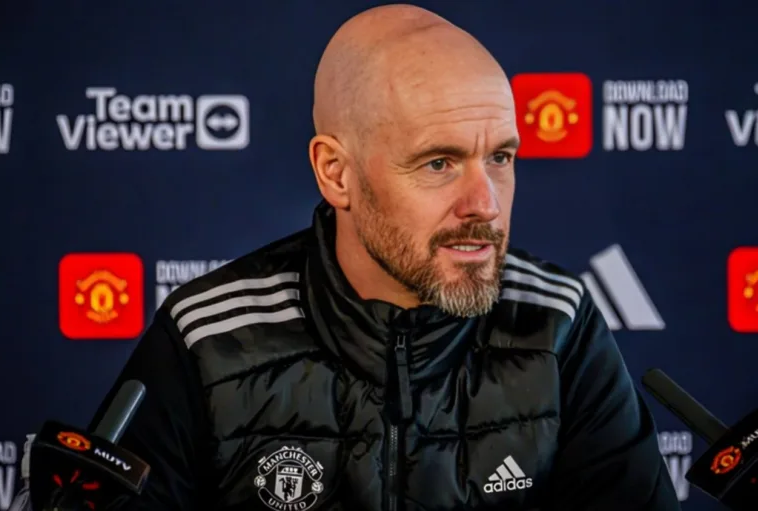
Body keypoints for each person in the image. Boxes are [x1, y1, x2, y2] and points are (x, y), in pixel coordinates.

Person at [89, 4, 680, 510]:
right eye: (438, 163)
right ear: (335, 173)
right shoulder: (207, 336)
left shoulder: (557, 324)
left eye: (500, 158)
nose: (486, 204)